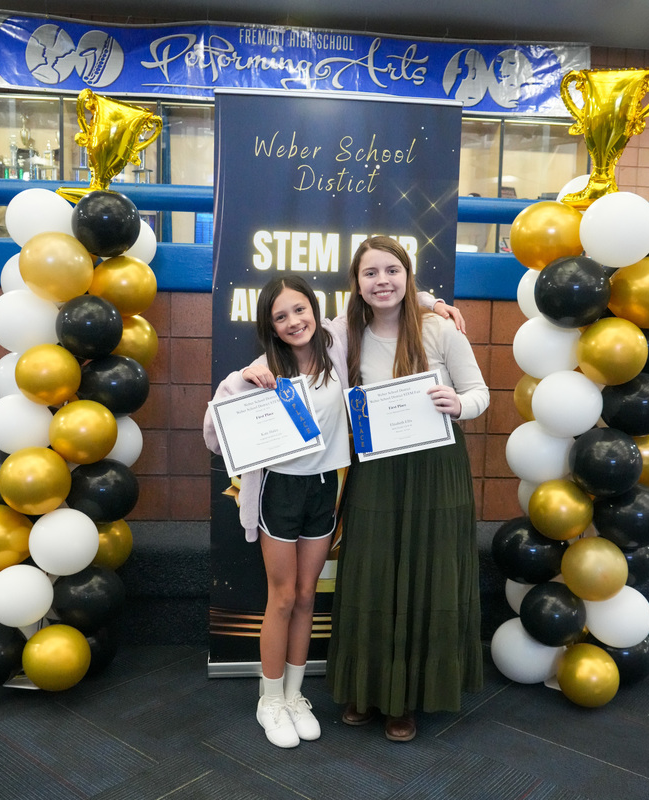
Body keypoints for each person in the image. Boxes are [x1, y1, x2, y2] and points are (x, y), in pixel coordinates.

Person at [203, 273, 464, 749]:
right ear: (269, 325)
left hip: (327, 489)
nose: (293, 321)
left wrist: (433, 302)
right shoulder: (264, 369)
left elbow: (380, 298)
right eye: (280, 316)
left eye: (299, 310)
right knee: (281, 597)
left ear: (314, 310)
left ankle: (296, 695)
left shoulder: (337, 341)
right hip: (279, 493)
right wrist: (239, 380)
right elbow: (214, 432)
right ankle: (270, 700)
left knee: (306, 595)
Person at [326, 236, 490, 743]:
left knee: (426, 575)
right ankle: (368, 689)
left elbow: (479, 393)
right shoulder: (343, 333)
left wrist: (459, 405)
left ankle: (409, 699)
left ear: (407, 276)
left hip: (436, 471)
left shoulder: (440, 331)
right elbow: (296, 340)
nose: (382, 282)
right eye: (370, 273)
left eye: (392, 271)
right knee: (372, 574)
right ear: (356, 283)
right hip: (376, 469)